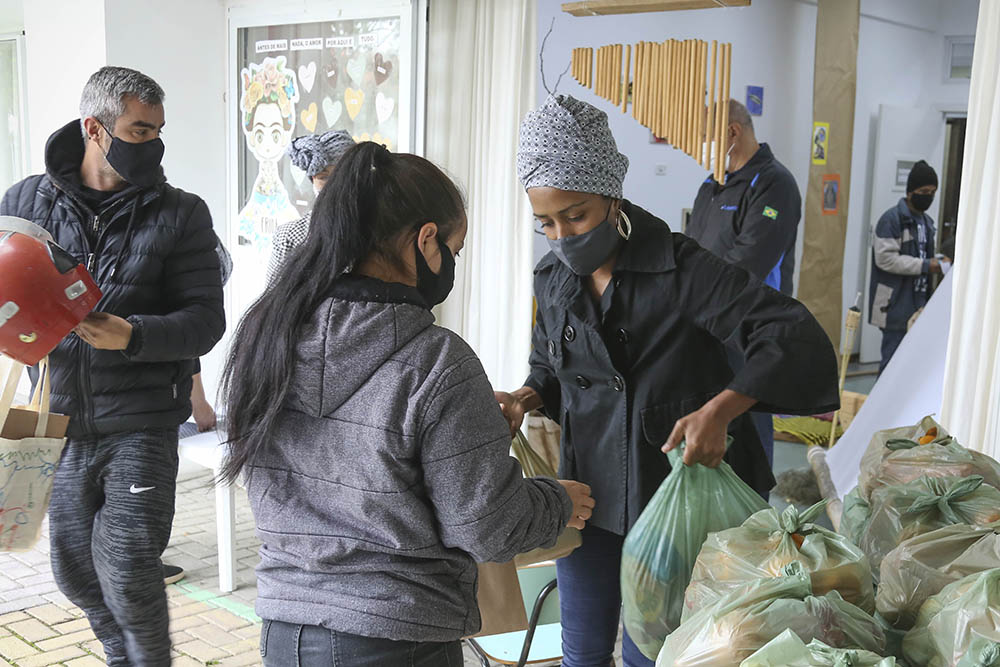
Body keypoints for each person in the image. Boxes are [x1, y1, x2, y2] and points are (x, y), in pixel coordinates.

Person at [219, 141, 593, 665]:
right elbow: (485, 526)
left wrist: (470, 435)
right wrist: (556, 502)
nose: (452, 265)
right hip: (399, 637)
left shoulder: (267, 334)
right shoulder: (437, 360)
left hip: (286, 631)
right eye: (454, 250)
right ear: (425, 240)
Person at [497, 95, 838, 667]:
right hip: (588, 495)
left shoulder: (683, 269)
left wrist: (723, 409)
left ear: (611, 195)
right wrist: (525, 396)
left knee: (653, 653)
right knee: (580, 650)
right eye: (546, 223)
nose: (562, 236)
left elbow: (787, 333)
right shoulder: (552, 279)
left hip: (675, 495)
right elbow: (551, 372)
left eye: (576, 215)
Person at [0, 66, 225, 665]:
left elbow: (206, 321)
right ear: (94, 129)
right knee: (75, 573)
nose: (151, 143)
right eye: (139, 130)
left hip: (144, 420)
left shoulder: (183, 213)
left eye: (157, 131)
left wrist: (130, 335)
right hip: (58, 420)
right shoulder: (25, 201)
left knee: (127, 566)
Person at [686, 99, 803, 466]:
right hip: (707, 325)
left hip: (750, 329)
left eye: (706, 135)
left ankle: (756, 515)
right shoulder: (712, 184)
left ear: (733, 132)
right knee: (711, 425)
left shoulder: (774, 184)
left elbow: (749, 261)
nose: (701, 143)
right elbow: (691, 248)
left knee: (749, 430)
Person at [869, 159, 948, 375]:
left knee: (913, 370)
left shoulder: (927, 222)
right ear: (911, 191)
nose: (929, 196)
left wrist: (939, 261)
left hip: (920, 303)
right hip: (895, 304)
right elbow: (885, 259)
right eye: (924, 191)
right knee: (891, 368)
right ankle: (883, 409)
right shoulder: (892, 219)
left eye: (933, 192)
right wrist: (925, 265)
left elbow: (923, 254)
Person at [265, 129, 355, 285]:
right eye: (324, 177)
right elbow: (273, 299)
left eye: (341, 176)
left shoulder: (377, 234)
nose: (333, 185)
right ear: (313, 180)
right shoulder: (290, 237)